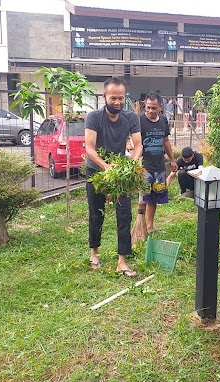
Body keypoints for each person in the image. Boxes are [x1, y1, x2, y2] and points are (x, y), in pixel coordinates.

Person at [85, 77, 143, 277]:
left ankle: (122, 261)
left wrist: (132, 164)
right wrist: (106, 167)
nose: (117, 102)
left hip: (120, 173)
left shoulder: (131, 117)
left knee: (124, 214)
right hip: (96, 171)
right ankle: (94, 253)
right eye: (113, 98)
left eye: (121, 98)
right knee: (96, 212)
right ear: (104, 97)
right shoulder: (93, 117)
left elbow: (138, 145)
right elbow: (90, 149)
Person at [140, 92, 177, 233]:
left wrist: (172, 160)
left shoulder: (163, 120)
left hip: (159, 166)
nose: (150, 110)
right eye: (148, 107)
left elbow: (166, 141)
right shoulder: (140, 120)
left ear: (160, 107)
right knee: (143, 197)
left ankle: (149, 226)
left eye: (154, 108)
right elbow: (134, 141)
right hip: (144, 167)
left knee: (154, 197)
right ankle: (140, 225)